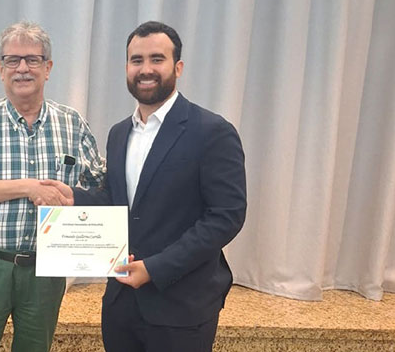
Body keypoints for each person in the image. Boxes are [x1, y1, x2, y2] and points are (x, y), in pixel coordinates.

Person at [44, 21, 247, 352]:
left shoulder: (212, 131)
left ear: (178, 67)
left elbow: (226, 216)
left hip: (182, 306)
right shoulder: (119, 133)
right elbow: (118, 201)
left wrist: (155, 268)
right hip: (121, 303)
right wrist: (73, 198)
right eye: (136, 60)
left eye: (157, 59)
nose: (146, 69)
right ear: (127, 68)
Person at [0, 21, 106, 352]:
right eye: (12, 60)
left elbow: (100, 187)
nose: (22, 68)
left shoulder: (72, 123)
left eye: (32, 59)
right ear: (0, 68)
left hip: (46, 270)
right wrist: (28, 187)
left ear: (48, 68)